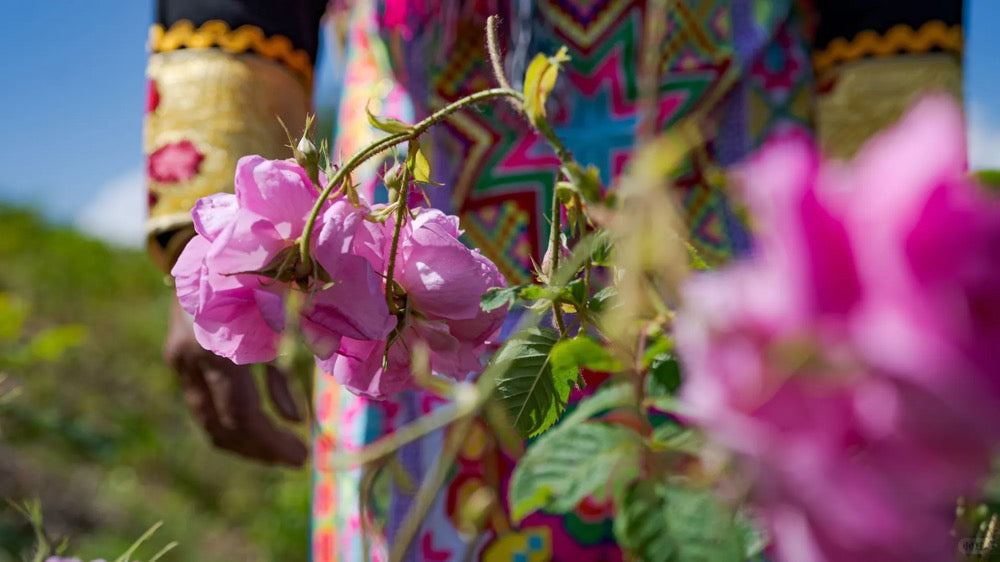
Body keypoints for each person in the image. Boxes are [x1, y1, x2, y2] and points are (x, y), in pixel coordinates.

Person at [144, 0, 965, 559]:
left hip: (732, 164)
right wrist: (219, 246)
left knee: (741, 487)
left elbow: (887, 23)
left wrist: (887, 268)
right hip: (399, 208)